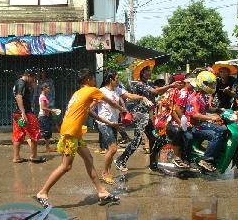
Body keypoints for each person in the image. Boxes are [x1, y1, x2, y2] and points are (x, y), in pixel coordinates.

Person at [35, 69, 126, 208]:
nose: (95, 80)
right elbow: (111, 103)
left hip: (74, 131)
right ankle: (42, 193)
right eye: (93, 78)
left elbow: (89, 111)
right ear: (88, 79)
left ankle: (102, 193)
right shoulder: (91, 90)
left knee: (89, 159)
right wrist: (123, 109)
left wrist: (110, 123)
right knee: (66, 166)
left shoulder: (78, 93)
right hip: (71, 132)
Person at [114, 62, 182, 172]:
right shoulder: (140, 85)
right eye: (147, 71)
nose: (149, 72)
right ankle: (121, 160)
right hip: (139, 115)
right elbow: (155, 91)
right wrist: (170, 85)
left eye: (149, 70)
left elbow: (158, 91)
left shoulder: (148, 83)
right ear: (142, 73)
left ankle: (153, 165)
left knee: (156, 140)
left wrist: (171, 85)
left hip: (146, 116)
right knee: (137, 140)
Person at [89, 70, 153, 184]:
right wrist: (97, 118)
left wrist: (142, 98)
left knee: (111, 150)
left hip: (115, 123)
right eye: (117, 78)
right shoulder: (101, 91)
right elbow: (90, 108)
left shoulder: (118, 90)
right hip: (104, 123)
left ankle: (108, 171)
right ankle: (105, 173)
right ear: (111, 79)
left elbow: (129, 95)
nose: (118, 80)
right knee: (113, 148)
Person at [185, 71, 227, 172]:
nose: (211, 86)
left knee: (223, 129)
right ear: (201, 83)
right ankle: (206, 159)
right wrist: (211, 118)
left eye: (212, 84)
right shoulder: (194, 98)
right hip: (195, 126)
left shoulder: (202, 96)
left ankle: (215, 152)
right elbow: (195, 115)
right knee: (217, 134)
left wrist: (218, 110)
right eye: (208, 84)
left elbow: (208, 108)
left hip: (201, 124)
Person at [12, 70, 46, 163]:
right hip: (25, 113)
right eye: (33, 78)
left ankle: (16, 157)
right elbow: (19, 97)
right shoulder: (21, 83)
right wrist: (23, 113)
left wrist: (32, 86)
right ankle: (34, 156)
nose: (33, 80)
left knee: (18, 134)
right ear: (28, 75)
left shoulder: (19, 82)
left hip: (16, 114)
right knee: (35, 133)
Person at [38, 83, 55, 153]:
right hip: (43, 117)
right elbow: (42, 107)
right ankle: (31, 139)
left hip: (45, 116)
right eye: (48, 88)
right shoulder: (43, 97)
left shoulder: (43, 96)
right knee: (45, 132)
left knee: (48, 133)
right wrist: (51, 110)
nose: (49, 89)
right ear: (44, 88)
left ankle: (47, 148)